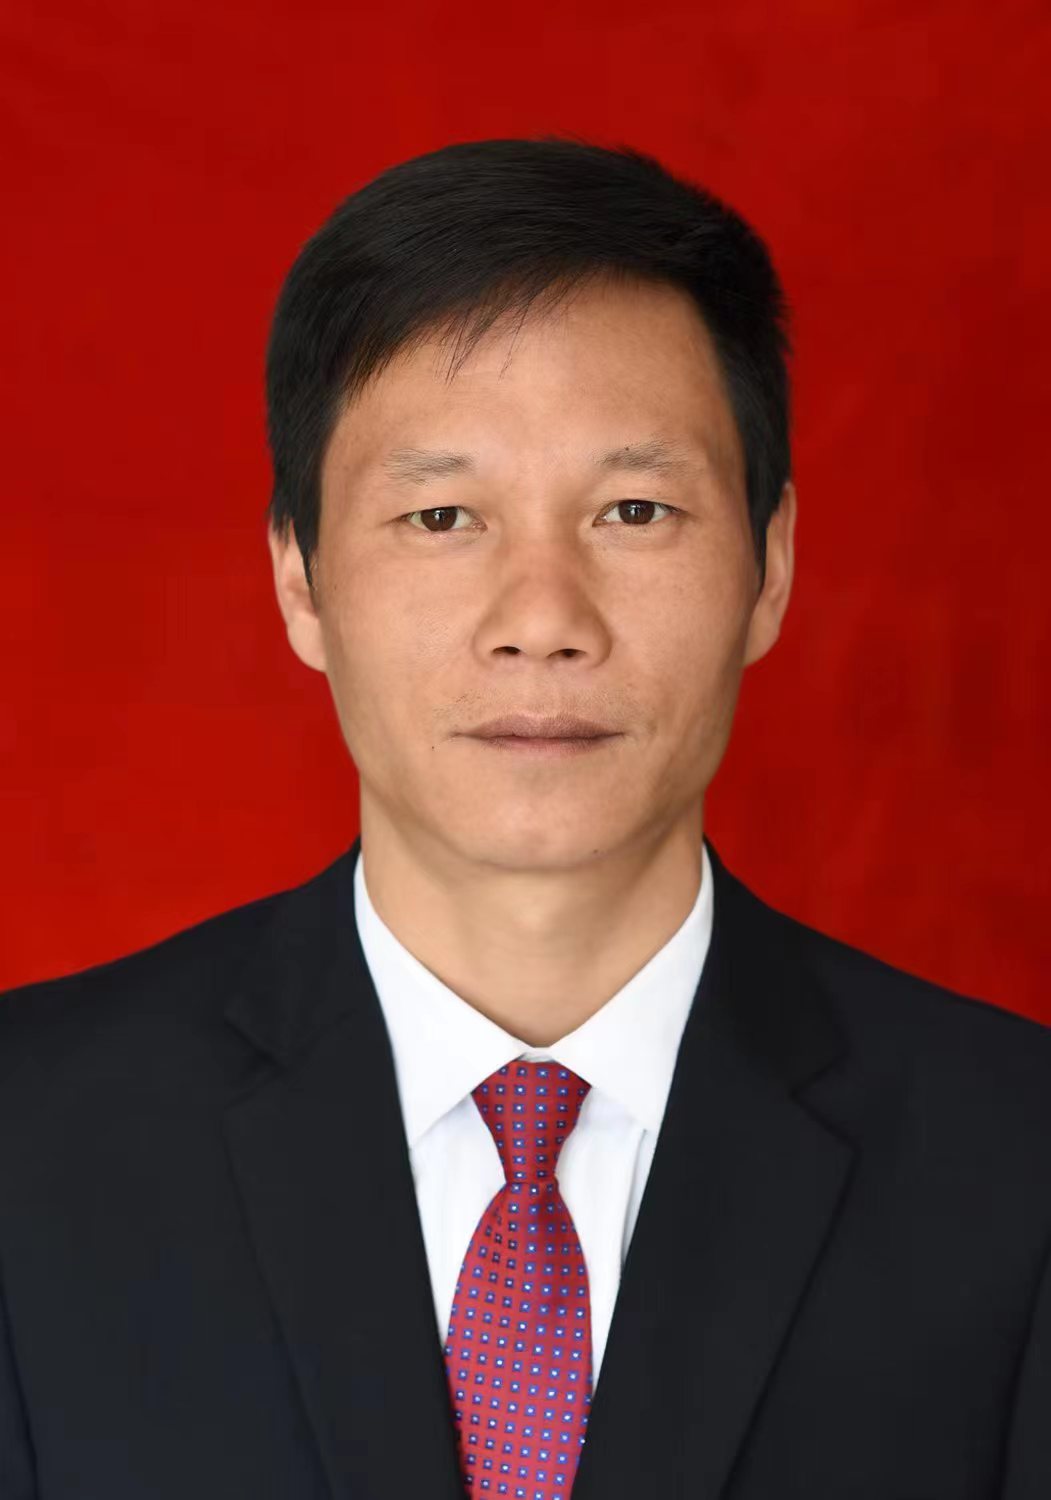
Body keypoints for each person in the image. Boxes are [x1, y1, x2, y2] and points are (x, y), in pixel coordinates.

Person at [1, 137, 1048, 1500]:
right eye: (443, 515)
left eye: (634, 509)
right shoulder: (31, 1145)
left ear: (771, 564)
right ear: (300, 580)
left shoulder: (1015, 1165)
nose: (543, 620)